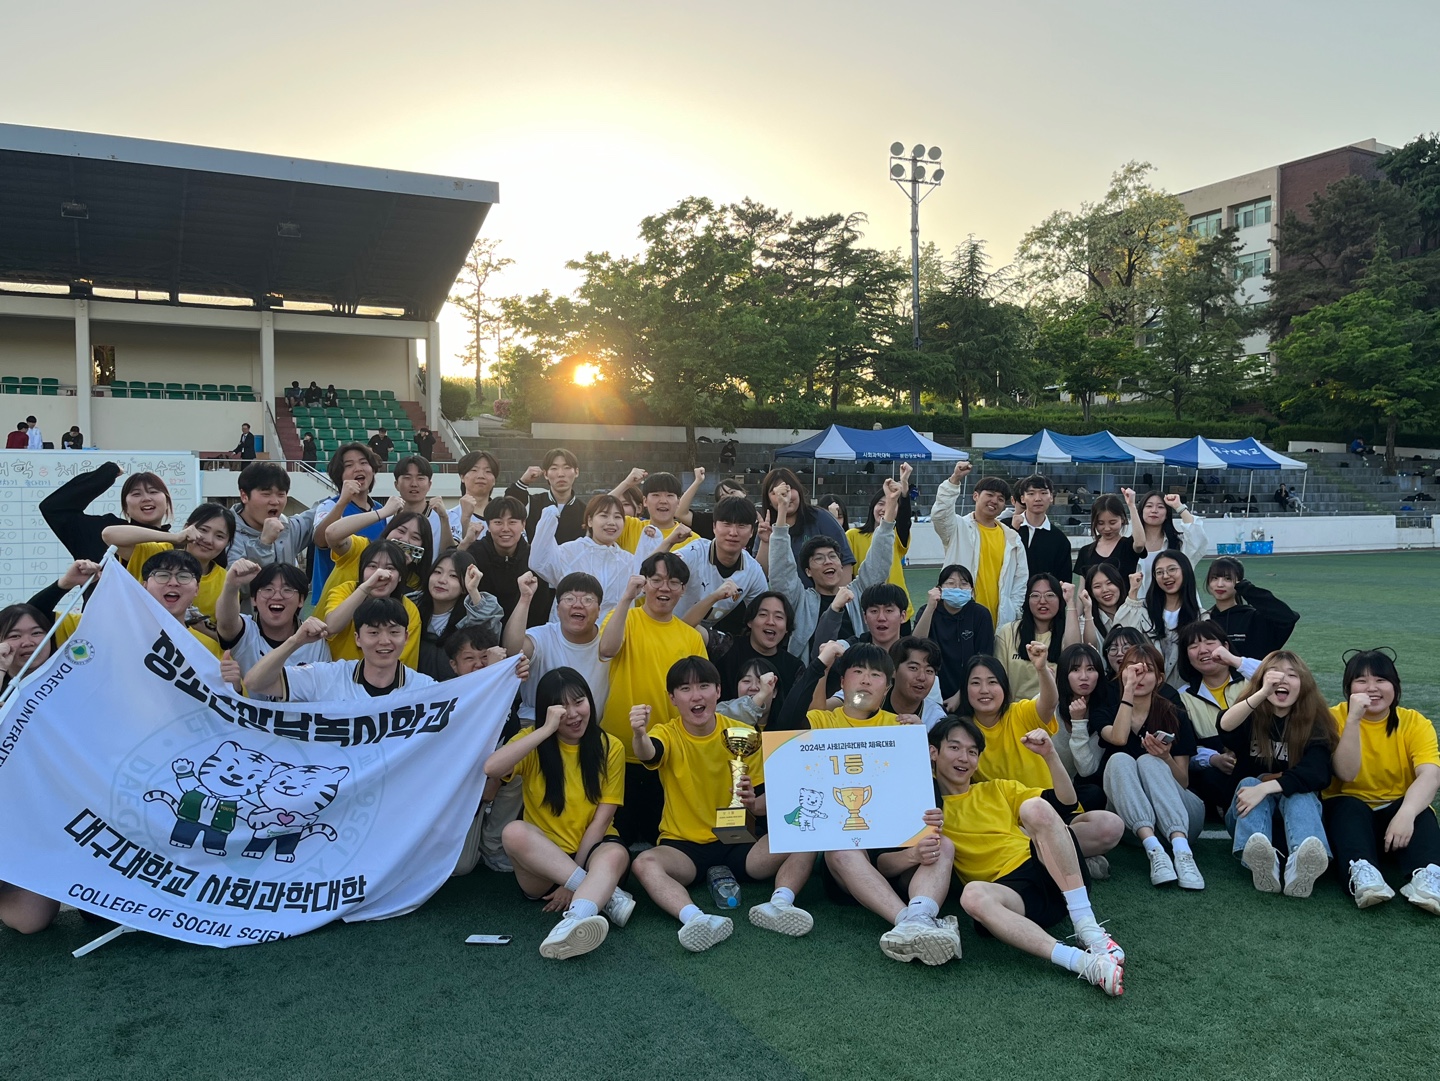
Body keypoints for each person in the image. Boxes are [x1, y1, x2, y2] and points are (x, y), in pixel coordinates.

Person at [629, 656, 816, 953]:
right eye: (685, 689)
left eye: (704, 686)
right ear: (672, 698)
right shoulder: (666, 732)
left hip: (738, 841)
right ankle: (696, 919)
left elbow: (765, 801)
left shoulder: (743, 734)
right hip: (684, 847)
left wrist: (753, 804)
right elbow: (649, 753)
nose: (696, 695)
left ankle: (780, 904)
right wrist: (639, 734)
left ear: (718, 691)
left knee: (808, 833)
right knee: (643, 863)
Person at [930, 717, 1125, 996]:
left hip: (1049, 869)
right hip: (1012, 896)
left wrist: (1050, 755)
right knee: (972, 895)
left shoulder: (995, 788)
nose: (964, 758)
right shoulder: (927, 809)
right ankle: (1082, 963)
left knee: (1035, 807)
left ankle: (1088, 926)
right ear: (933, 752)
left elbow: (1066, 802)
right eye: (954, 748)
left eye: (972, 751)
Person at [482, 668, 633, 959]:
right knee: (513, 832)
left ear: (590, 700)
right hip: (543, 862)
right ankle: (604, 897)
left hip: (593, 855)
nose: (573, 714)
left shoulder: (610, 746)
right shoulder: (533, 741)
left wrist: (571, 880)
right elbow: (491, 768)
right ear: (548, 712)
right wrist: (544, 730)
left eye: (579, 702)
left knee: (615, 854)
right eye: (562, 707)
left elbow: (602, 820)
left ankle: (572, 923)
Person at [598, 554, 707, 846]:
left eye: (674, 582)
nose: (664, 588)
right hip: (619, 749)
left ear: (683, 589)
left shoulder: (691, 637)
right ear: (644, 583)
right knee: (614, 837)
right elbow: (607, 649)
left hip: (668, 752)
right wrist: (626, 599)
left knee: (661, 839)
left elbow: (700, 697)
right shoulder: (625, 617)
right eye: (656, 580)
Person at [1322, 650, 1440, 913]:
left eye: (1380, 680)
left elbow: (1430, 775)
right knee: (1348, 807)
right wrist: (1354, 719)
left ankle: (1428, 876)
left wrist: (1406, 813)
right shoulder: (1332, 718)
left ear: (1395, 687)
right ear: (1348, 688)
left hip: (1397, 818)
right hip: (1348, 814)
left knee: (1421, 812)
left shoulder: (1414, 722)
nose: (1372, 688)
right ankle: (1363, 873)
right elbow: (1346, 774)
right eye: (1361, 681)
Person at [1215, 652, 1336, 897]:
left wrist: (1265, 787)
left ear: (1304, 684)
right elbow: (1225, 726)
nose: (1282, 680)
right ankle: (1262, 862)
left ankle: (1301, 864)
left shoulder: (1315, 723)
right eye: (1274, 674)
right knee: (1248, 782)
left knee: (1299, 792)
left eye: (1292, 675)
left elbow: (1317, 773)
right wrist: (1261, 693)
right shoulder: (1251, 715)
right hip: (1248, 822)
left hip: (1297, 822)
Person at [1094, 643, 1206, 890]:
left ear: (1160, 679)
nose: (1139, 676)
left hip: (1184, 818)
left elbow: (1184, 782)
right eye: (1132, 669)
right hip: (1132, 826)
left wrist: (1165, 758)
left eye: (1147, 670)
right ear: (1121, 674)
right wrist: (1128, 691)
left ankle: (1183, 853)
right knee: (1119, 759)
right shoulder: (1106, 713)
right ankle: (1155, 852)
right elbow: (1119, 738)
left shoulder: (1175, 714)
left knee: (1149, 761)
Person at [769, 477, 897, 663]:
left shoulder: (857, 594)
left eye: (832, 556)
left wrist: (891, 505)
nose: (828, 562)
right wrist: (782, 510)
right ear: (808, 571)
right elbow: (781, 571)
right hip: (814, 674)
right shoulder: (801, 601)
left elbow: (878, 562)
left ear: (840, 564)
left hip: (858, 671)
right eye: (819, 559)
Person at [243, 597, 436, 700]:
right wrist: (295, 641)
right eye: (374, 632)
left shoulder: (425, 689)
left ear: (406, 637)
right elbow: (255, 682)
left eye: (394, 632)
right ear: (357, 638)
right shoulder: (328, 677)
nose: (384, 641)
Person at [103, 502, 236, 625]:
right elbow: (108, 535)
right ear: (187, 528)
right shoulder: (158, 554)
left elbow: (227, 634)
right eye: (203, 530)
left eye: (219, 536)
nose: (208, 540)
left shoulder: (226, 581)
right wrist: (175, 537)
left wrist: (196, 627)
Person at [929, 461, 1027, 627]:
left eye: (1000, 499)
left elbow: (1020, 581)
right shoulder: (958, 528)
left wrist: (1014, 610)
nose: (994, 501)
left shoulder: (1012, 539)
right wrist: (954, 480)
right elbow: (940, 515)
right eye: (990, 495)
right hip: (959, 614)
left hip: (1000, 621)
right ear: (975, 496)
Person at [505, 571, 611, 724]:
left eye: (588, 600)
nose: (578, 605)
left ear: (599, 610)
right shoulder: (542, 636)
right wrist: (525, 599)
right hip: (536, 724)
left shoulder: (609, 642)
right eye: (569, 599)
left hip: (589, 729)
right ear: (557, 609)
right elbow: (513, 651)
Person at [214, 560, 328, 693]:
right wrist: (231, 585)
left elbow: (323, 690)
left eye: (287, 590)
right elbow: (226, 622)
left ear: (301, 600)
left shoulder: (315, 640)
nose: (277, 596)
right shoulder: (245, 630)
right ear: (253, 599)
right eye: (268, 589)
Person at [530, 494, 642, 626]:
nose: (611, 522)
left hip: (613, 635)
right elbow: (539, 562)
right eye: (604, 515)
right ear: (590, 520)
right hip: (570, 633)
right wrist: (548, 521)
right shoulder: (569, 552)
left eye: (617, 517)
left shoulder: (629, 561)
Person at [673, 495, 767, 639]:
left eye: (741, 526)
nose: (733, 533)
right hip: (669, 629)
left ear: (751, 532)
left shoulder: (752, 570)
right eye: (726, 524)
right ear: (714, 527)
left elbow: (763, 610)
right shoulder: (693, 553)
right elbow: (652, 575)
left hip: (704, 637)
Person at [317, 544, 424, 669]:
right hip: (336, 673)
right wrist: (366, 587)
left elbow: (403, 662)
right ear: (361, 570)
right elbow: (331, 627)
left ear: (400, 576)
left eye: (390, 568)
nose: (380, 574)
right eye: (372, 566)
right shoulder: (345, 591)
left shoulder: (409, 609)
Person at [40, 463, 172, 562]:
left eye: (153, 492)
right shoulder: (100, 530)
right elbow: (54, 508)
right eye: (136, 494)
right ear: (125, 507)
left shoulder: (177, 545)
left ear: (167, 502)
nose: (146, 498)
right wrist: (107, 473)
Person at [310, 442, 387, 603]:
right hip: (333, 602)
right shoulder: (329, 506)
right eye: (349, 465)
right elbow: (321, 540)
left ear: (373, 470)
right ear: (340, 475)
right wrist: (343, 502)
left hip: (371, 602)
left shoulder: (381, 512)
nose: (358, 468)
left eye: (364, 462)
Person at [409, 548, 501, 680]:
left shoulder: (472, 614)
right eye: (437, 572)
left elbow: (488, 635)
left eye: (453, 576)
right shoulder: (411, 605)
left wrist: (473, 591)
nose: (442, 580)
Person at [320, 503, 435, 610]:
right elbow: (332, 533)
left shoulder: (414, 581)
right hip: (324, 622)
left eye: (415, 538)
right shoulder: (361, 548)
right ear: (389, 530)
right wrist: (383, 512)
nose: (405, 540)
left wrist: (399, 569)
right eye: (401, 531)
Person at [1114, 554, 1204, 686]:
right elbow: (1121, 634)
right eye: (1159, 572)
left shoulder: (1201, 617)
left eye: (1172, 569)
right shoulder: (1143, 610)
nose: (1166, 576)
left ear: (1185, 571)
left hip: (1186, 689)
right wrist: (1133, 593)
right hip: (1147, 687)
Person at [912, 564, 994, 710]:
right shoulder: (927, 611)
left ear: (971, 590)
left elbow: (984, 657)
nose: (957, 588)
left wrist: (961, 694)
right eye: (951, 583)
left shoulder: (980, 614)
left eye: (963, 584)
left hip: (968, 690)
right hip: (932, 690)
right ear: (939, 589)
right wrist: (930, 607)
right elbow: (915, 644)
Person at [846, 462, 914, 618]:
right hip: (867, 607)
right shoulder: (853, 535)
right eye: (880, 504)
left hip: (897, 607)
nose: (884, 509)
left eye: (891, 505)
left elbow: (905, 520)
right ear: (872, 507)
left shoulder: (895, 534)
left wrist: (904, 484)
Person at [712, 591, 804, 706]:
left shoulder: (795, 668)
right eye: (763, 614)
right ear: (750, 621)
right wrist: (714, 597)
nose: (771, 622)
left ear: (787, 628)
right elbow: (692, 629)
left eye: (779, 617)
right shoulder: (727, 645)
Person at [757, 466, 854, 574]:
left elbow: (845, 561)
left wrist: (842, 586)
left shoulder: (821, 518)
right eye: (776, 492)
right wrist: (765, 542)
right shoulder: (766, 527)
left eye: (788, 489)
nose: (784, 496)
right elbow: (761, 573)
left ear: (799, 491)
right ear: (769, 501)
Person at [1203, 556, 1299, 661]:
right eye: (1215, 578)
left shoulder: (1252, 618)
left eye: (1228, 579)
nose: (1220, 584)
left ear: (1239, 582)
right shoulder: (1204, 618)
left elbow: (1288, 618)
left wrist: (1247, 590)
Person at [227, 461, 316, 571]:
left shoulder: (288, 527)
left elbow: (317, 515)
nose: (275, 501)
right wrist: (264, 544)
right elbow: (237, 577)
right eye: (266, 494)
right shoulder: (226, 534)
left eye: (281, 494)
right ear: (244, 496)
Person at [1052, 644, 1110, 812]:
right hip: (1038, 784)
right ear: (1064, 674)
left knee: (1095, 794)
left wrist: (1078, 723)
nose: (1084, 677)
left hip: (1072, 790)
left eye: (1090, 669)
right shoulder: (1048, 704)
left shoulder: (1102, 714)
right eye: (1075, 669)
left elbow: (1086, 770)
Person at [466, 496, 537, 626]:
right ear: (488, 525)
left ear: (523, 525)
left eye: (512, 522)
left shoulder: (534, 559)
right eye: (498, 522)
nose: (505, 528)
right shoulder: (474, 555)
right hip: (481, 628)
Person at [993, 573, 1065, 701]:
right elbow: (998, 678)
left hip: (1054, 709)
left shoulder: (1067, 633)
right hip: (1015, 709)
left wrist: (1071, 602)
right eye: (1035, 595)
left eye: (1050, 595)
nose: (1042, 601)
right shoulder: (1008, 632)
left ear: (1060, 599)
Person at [1133, 490, 1208, 600]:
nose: (1154, 510)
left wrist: (1179, 506)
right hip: (1141, 606)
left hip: (1177, 604)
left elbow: (1198, 538)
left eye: (1160, 507)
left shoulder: (1179, 544)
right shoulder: (1130, 545)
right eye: (1149, 506)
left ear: (1167, 514)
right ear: (1141, 511)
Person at [1006, 474, 1073, 585]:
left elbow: (1063, 581)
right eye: (1031, 494)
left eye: (1043, 493)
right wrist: (1013, 530)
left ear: (1051, 497)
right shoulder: (1005, 528)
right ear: (1022, 498)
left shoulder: (1059, 539)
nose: (1037, 498)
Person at [388, 455, 455, 556]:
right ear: (396, 484)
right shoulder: (386, 517)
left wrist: (444, 519)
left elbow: (451, 555)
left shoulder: (447, 517)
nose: (414, 484)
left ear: (429, 485)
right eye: (407, 478)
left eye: (420, 478)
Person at [1072, 493, 1144, 583]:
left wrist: (1132, 506)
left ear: (1122, 519)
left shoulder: (1128, 546)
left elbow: (1140, 544)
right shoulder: (1085, 551)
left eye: (1112, 522)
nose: (1107, 528)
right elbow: (1083, 588)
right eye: (1101, 523)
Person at [1063, 564, 1130, 651]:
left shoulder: (1133, 612)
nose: (1105, 590)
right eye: (1097, 586)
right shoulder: (1086, 621)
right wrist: (1086, 611)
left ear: (1119, 584)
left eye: (1109, 583)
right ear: (1091, 592)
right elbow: (1077, 649)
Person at [449, 450, 501, 544]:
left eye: (488, 471)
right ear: (462, 477)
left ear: (494, 480)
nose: (481, 476)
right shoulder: (450, 516)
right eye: (474, 470)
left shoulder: (505, 516)